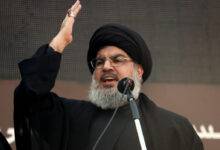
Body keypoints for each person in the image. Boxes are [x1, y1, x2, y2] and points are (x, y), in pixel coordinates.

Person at [14, 0, 204, 150]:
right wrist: (58, 44)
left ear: (139, 70)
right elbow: (29, 97)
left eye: (118, 59)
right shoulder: (72, 117)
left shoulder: (174, 128)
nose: (106, 66)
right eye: (99, 61)